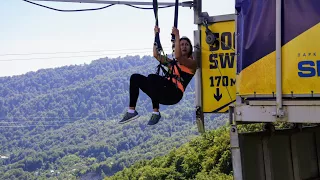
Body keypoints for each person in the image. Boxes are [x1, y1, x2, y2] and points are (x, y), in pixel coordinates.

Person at [118, 26, 197, 125]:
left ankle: (156, 111)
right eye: (181, 45)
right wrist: (156, 35)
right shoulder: (173, 63)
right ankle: (131, 111)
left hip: (174, 94)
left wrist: (177, 35)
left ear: (190, 48)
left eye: (186, 45)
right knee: (135, 78)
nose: (184, 46)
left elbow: (178, 57)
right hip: (163, 93)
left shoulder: (192, 64)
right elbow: (156, 55)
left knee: (152, 78)